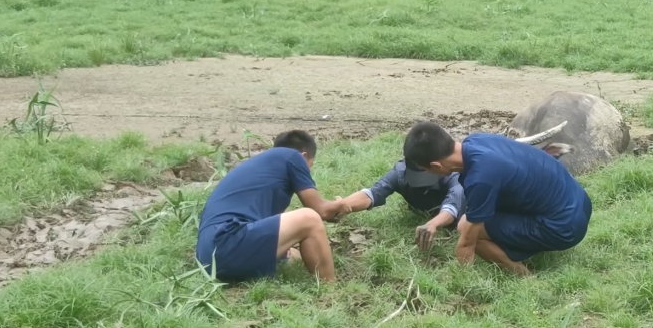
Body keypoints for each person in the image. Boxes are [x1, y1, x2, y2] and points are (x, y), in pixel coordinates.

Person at [402, 122, 593, 276]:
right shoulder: (476, 139)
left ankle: (522, 275)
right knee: (475, 217)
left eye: (426, 169)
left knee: (465, 227)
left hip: (564, 228)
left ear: (435, 165)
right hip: (580, 203)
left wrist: (461, 280)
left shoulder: (481, 178)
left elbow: (467, 243)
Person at [195, 130, 343, 283]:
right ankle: (330, 288)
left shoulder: (259, 167)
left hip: (208, 259)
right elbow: (320, 210)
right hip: (227, 242)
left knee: (292, 254)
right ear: (303, 156)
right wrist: (343, 204)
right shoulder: (293, 156)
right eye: (309, 167)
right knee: (309, 218)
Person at [332, 158, 465, 252]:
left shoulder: (452, 174)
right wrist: (343, 205)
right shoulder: (400, 173)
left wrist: (433, 224)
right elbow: (372, 193)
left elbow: (453, 206)